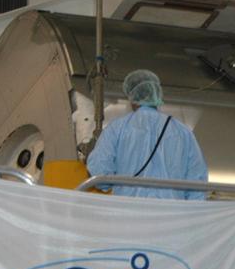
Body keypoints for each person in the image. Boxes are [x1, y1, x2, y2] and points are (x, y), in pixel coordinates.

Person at [87, 69, 208, 200]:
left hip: (129, 212)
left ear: (132, 98)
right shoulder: (183, 132)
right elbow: (198, 183)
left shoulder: (117, 128)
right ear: (157, 94)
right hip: (170, 214)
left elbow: (100, 171)